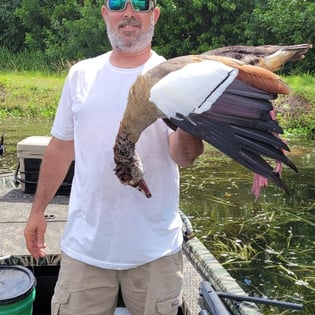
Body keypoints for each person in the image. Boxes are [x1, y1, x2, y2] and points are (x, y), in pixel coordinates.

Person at [24, 1, 204, 314]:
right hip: (85, 248)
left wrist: (191, 121)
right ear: (106, 13)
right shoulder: (81, 75)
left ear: (155, 15)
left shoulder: (177, 78)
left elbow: (183, 156)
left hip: (155, 250)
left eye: (141, 4)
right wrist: (38, 210)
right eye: (118, 3)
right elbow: (60, 148)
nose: (129, 11)